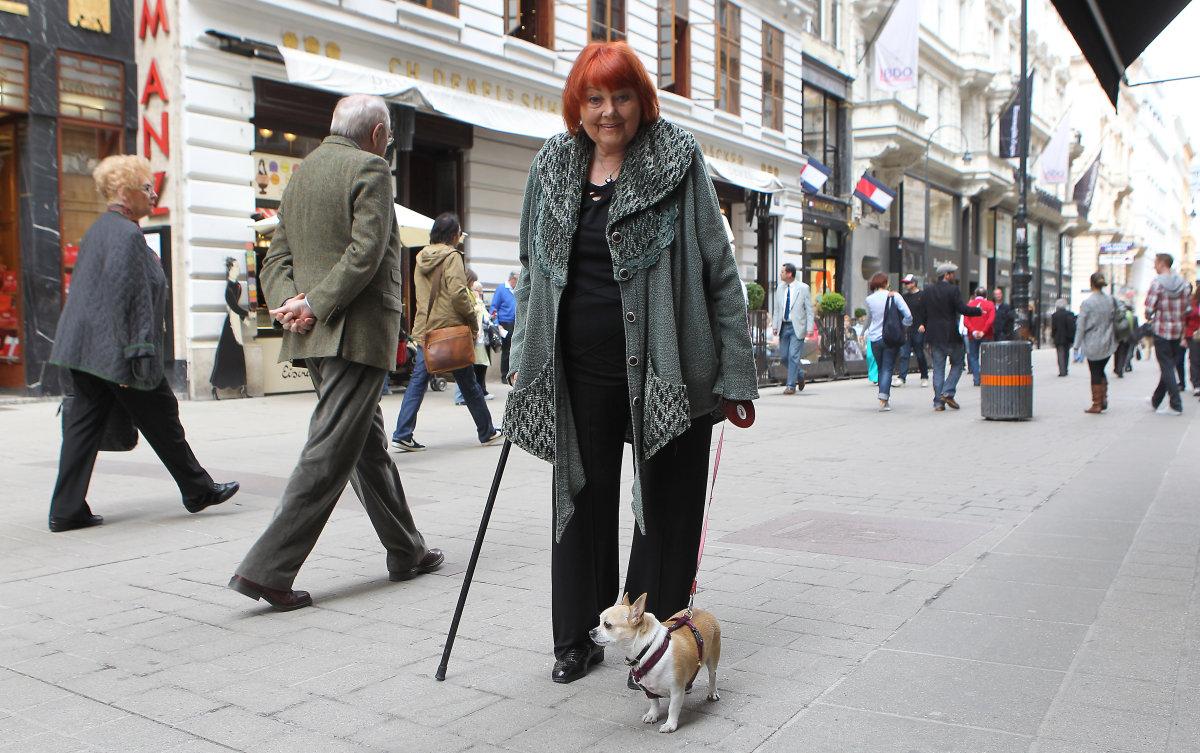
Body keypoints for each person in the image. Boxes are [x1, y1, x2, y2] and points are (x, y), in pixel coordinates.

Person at [505, 41, 758, 684]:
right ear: (578, 105)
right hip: (579, 366)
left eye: (620, 97)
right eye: (594, 99)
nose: (608, 112)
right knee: (582, 496)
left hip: (668, 369)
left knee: (666, 506)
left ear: (641, 100)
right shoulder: (555, 164)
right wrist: (523, 353)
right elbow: (533, 271)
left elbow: (718, 268)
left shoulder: (677, 160)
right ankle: (579, 636)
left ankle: (659, 639)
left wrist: (733, 374)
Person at [230, 95, 442, 611]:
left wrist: (290, 303)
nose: (388, 145)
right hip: (355, 330)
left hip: (315, 333)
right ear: (376, 134)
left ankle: (405, 549)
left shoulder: (301, 175)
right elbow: (365, 252)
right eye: (388, 136)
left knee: (363, 444)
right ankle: (267, 569)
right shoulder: (371, 168)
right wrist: (316, 303)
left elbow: (276, 257)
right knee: (330, 449)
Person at [47, 155, 239, 533]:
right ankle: (197, 490)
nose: (153, 194)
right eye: (147, 188)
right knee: (162, 414)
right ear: (124, 192)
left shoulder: (100, 229)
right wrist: (138, 353)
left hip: (83, 351)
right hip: (117, 354)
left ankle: (66, 509)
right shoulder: (128, 234)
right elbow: (128, 298)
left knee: (83, 427)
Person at [391, 213, 503, 451]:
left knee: (418, 382)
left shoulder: (420, 257)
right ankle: (487, 431)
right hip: (450, 330)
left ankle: (402, 432)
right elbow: (458, 293)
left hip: (425, 330)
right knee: (468, 383)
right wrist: (472, 320)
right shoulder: (452, 257)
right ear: (453, 235)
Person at [916, 263, 982, 412]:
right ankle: (947, 391)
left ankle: (938, 402)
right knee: (958, 363)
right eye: (952, 273)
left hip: (933, 336)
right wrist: (978, 311)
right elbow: (962, 309)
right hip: (950, 335)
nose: (954, 276)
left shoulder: (928, 291)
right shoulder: (953, 290)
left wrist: (923, 325)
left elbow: (922, 312)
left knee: (938, 368)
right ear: (946, 275)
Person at [1145, 252, 1189, 416]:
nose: (1154, 266)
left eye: (1155, 263)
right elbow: (1187, 309)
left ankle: (1175, 404)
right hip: (1178, 330)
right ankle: (1156, 400)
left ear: (1162, 263)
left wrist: (1150, 315)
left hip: (1162, 330)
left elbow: (1149, 309)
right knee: (1168, 366)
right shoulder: (1183, 283)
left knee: (1166, 366)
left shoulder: (1157, 283)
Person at [862, 273, 912, 411]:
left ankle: (885, 398)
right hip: (890, 337)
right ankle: (883, 399)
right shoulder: (894, 296)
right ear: (885, 283)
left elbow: (870, 318)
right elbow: (908, 315)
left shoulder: (869, 299)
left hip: (874, 338)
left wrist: (863, 333)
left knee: (881, 367)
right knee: (888, 367)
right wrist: (903, 326)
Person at [1072, 273, 1117, 414]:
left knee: (1095, 372)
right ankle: (1103, 398)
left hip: (1093, 342)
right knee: (1101, 369)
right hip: (1108, 340)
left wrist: (1076, 345)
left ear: (1091, 284)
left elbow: (1081, 325)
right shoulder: (1110, 300)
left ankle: (1097, 403)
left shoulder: (1087, 303)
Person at [210, 256, 249, 397]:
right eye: (236, 267)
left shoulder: (237, 285)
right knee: (226, 354)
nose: (238, 269)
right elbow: (233, 305)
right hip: (231, 323)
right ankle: (215, 387)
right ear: (230, 269)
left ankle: (242, 386)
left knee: (238, 354)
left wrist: (243, 316)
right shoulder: (229, 288)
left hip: (236, 321)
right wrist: (246, 314)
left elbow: (235, 306)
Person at [772, 262, 813, 394]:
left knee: (793, 356)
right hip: (784, 326)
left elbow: (809, 310)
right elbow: (777, 308)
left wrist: (810, 327)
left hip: (797, 327)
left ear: (789, 274)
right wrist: (775, 325)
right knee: (784, 357)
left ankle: (791, 386)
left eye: (782, 272)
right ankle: (800, 373)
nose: (780, 274)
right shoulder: (780, 288)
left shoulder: (803, 288)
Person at [454, 278, 496, 404]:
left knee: (472, 367)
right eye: (478, 290)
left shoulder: (477, 301)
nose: (480, 293)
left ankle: (473, 394)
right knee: (466, 367)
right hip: (472, 338)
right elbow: (473, 316)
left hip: (477, 338)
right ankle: (461, 397)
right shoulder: (471, 300)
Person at [895, 274, 928, 388]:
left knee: (919, 353)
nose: (906, 285)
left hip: (918, 328)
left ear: (914, 283)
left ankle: (924, 376)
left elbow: (927, 312)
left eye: (908, 283)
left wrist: (924, 324)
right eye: (905, 283)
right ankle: (902, 377)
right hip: (906, 329)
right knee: (904, 353)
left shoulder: (923, 295)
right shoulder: (904, 297)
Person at [963, 286, 996, 386]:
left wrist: (973, 331)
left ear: (975, 294)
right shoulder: (990, 304)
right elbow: (991, 319)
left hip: (973, 335)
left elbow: (965, 320)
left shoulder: (970, 304)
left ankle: (977, 378)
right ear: (986, 295)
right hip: (987, 335)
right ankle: (986, 377)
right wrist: (983, 331)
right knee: (987, 356)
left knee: (973, 356)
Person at [490, 270, 518, 381]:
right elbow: (494, 308)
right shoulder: (502, 289)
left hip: (515, 323)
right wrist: (497, 324)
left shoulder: (516, 290)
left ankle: (512, 373)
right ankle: (504, 375)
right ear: (513, 279)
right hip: (505, 323)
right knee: (506, 350)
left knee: (514, 349)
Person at [1050, 299, 1077, 377]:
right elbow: (1072, 327)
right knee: (1066, 354)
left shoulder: (1055, 315)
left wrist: (1053, 336)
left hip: (1058, 337)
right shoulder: (1070, 314)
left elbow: (1053, 327)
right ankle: (1065, 369)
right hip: (1067, 337)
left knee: (1060, 354)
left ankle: (1062, 371)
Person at [1112, 293, 1137, 378]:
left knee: (1117, 353)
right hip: (1127, 337)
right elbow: (1134, 328)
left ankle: (1116, 368)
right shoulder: (1131, 315)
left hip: (1118, 336)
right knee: (1124, 353)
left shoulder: (1117, 313)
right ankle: (1120, 369)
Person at [1185, 285, 1200, 397]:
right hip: (1193, 335)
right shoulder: (1192, 303)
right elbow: (1185, 318)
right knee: (1195, 359)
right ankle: (1196, 385)